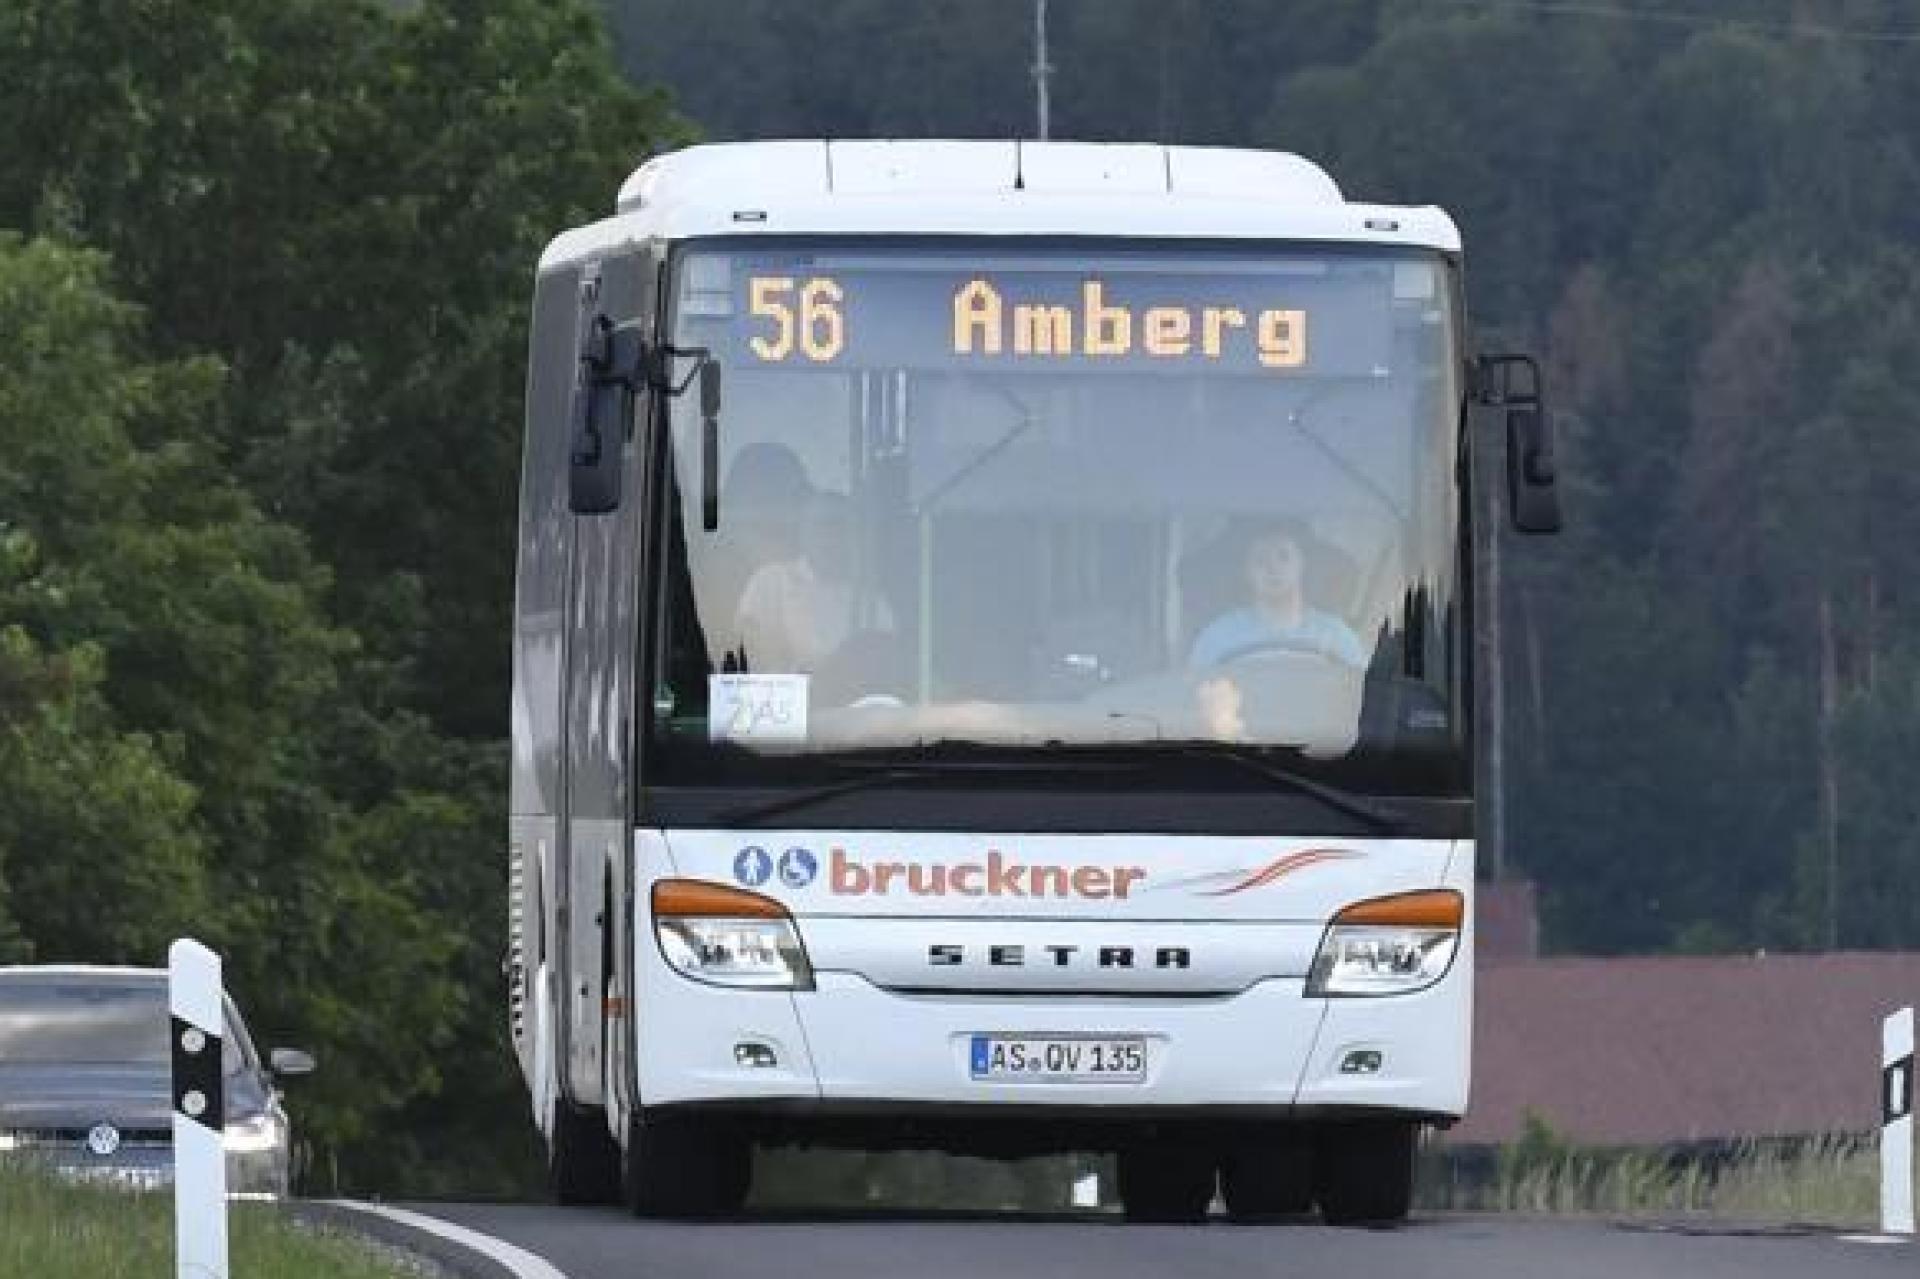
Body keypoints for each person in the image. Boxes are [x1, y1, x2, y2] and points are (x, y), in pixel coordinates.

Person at [733, 491, 894, 675]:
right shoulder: (770, 582)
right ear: (803, 531)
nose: (832, 536)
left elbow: (886, 665)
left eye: (841, 527)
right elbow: (748, 652)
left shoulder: (870, 600)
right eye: (824, 525)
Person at [1187, 525, 1365, 670]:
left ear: (1302, 564)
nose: (1273, 568)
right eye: (1260, 560)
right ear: (1247, 572)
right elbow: (1194, 697)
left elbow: (1365, 698)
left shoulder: (1336, 636)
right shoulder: (1218, 637)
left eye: (1283, 557)